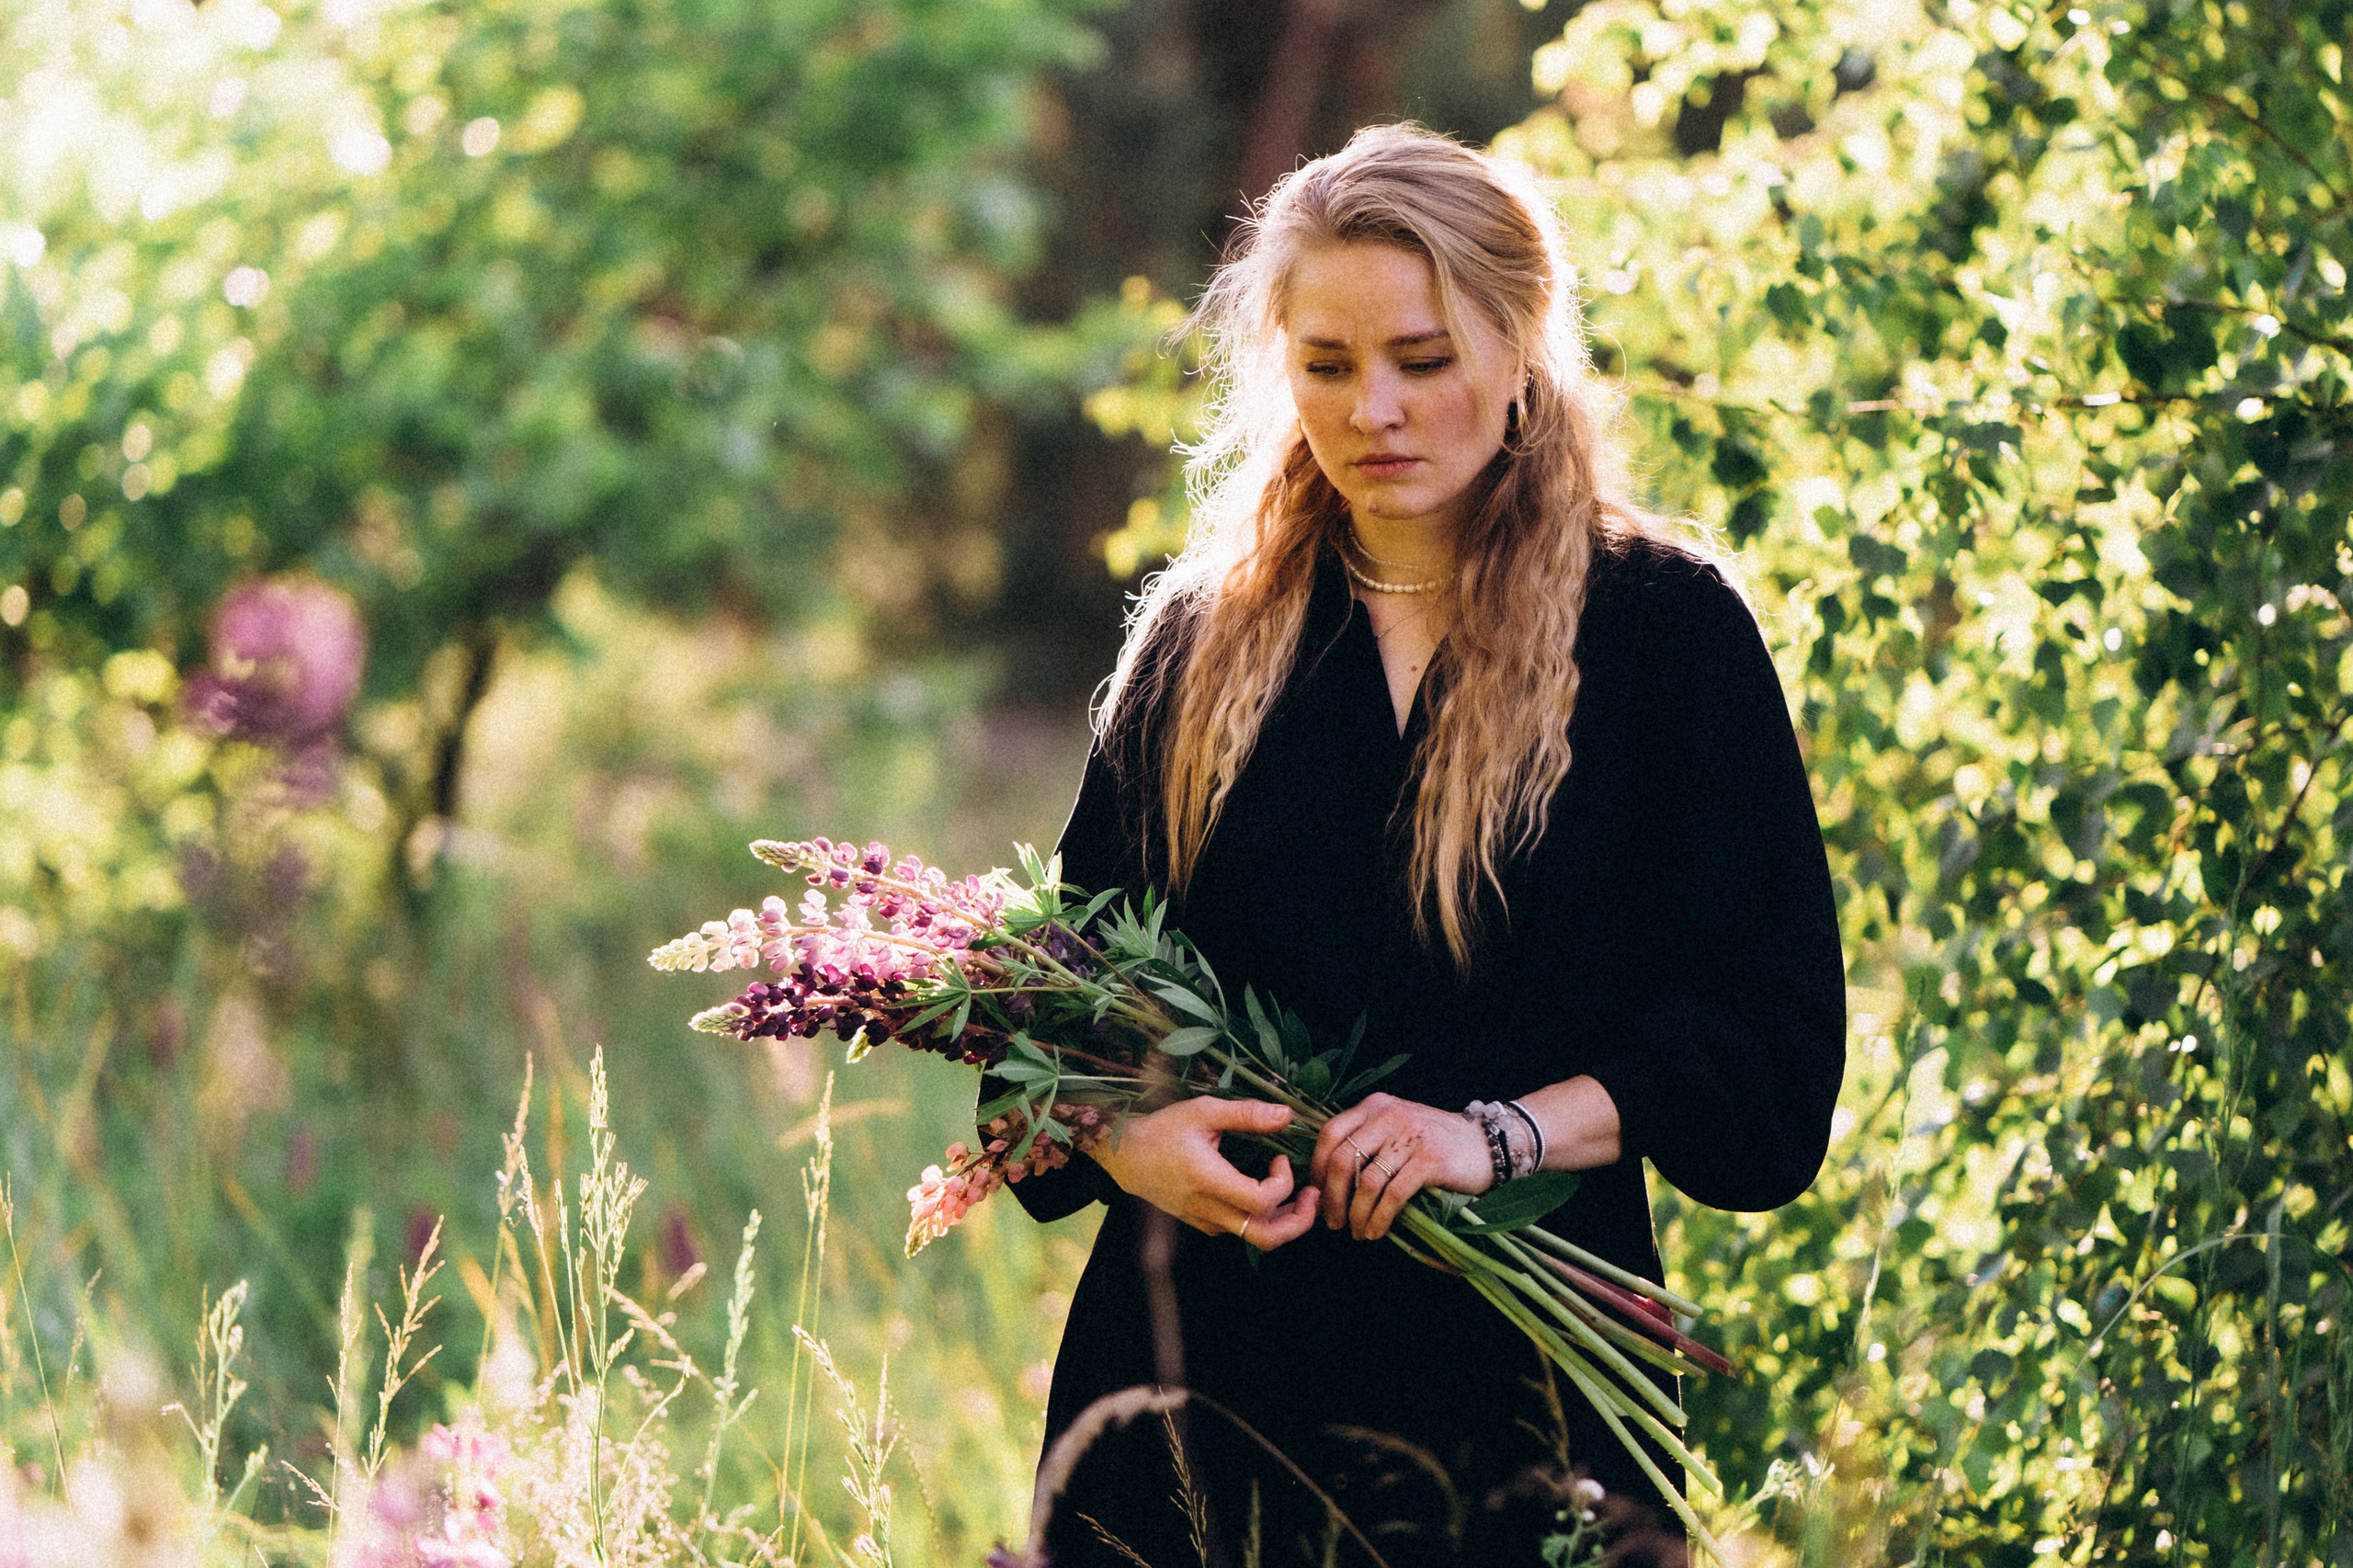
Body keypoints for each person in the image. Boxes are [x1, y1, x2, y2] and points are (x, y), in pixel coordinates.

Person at [1000, 124, 1847, 1568]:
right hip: (1199, 1401)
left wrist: (1492, 1136)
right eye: (1328, 366)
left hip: (1532, 1410)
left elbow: (1764, 1045)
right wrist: (1135, 1142)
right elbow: (1048, 1019)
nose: (1374, 409)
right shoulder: (1199, 648)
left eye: (1423, 356)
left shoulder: (1662, 634)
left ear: (1522, 349)